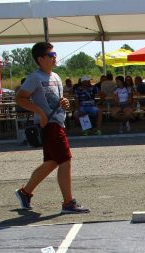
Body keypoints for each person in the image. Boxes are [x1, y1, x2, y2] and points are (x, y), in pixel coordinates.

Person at [15, 42, 89, 214]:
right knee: (65, 159)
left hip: (58, 122)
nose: (55, 57)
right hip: (49, 124)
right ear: (40, 59)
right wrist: (39, 112)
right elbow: (20, 98)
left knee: (52, 162)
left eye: (54, 54)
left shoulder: (55, 76)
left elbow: (59, 101)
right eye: (51, 54)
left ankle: (25, 192)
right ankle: (68, 202)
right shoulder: (35, 77)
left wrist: (65, 103)